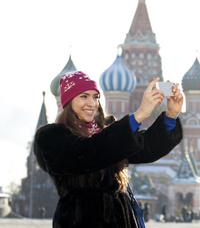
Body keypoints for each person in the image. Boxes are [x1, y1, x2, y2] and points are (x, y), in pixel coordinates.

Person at [34, 71, 183, 228]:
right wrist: (138, 116)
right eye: (83, 96)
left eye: (95, 97)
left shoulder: (106, 131)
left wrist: (170, 115)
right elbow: (86, 153)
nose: (92, 103)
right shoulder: (51, 137)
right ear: (68, 101)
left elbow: (146, 147)